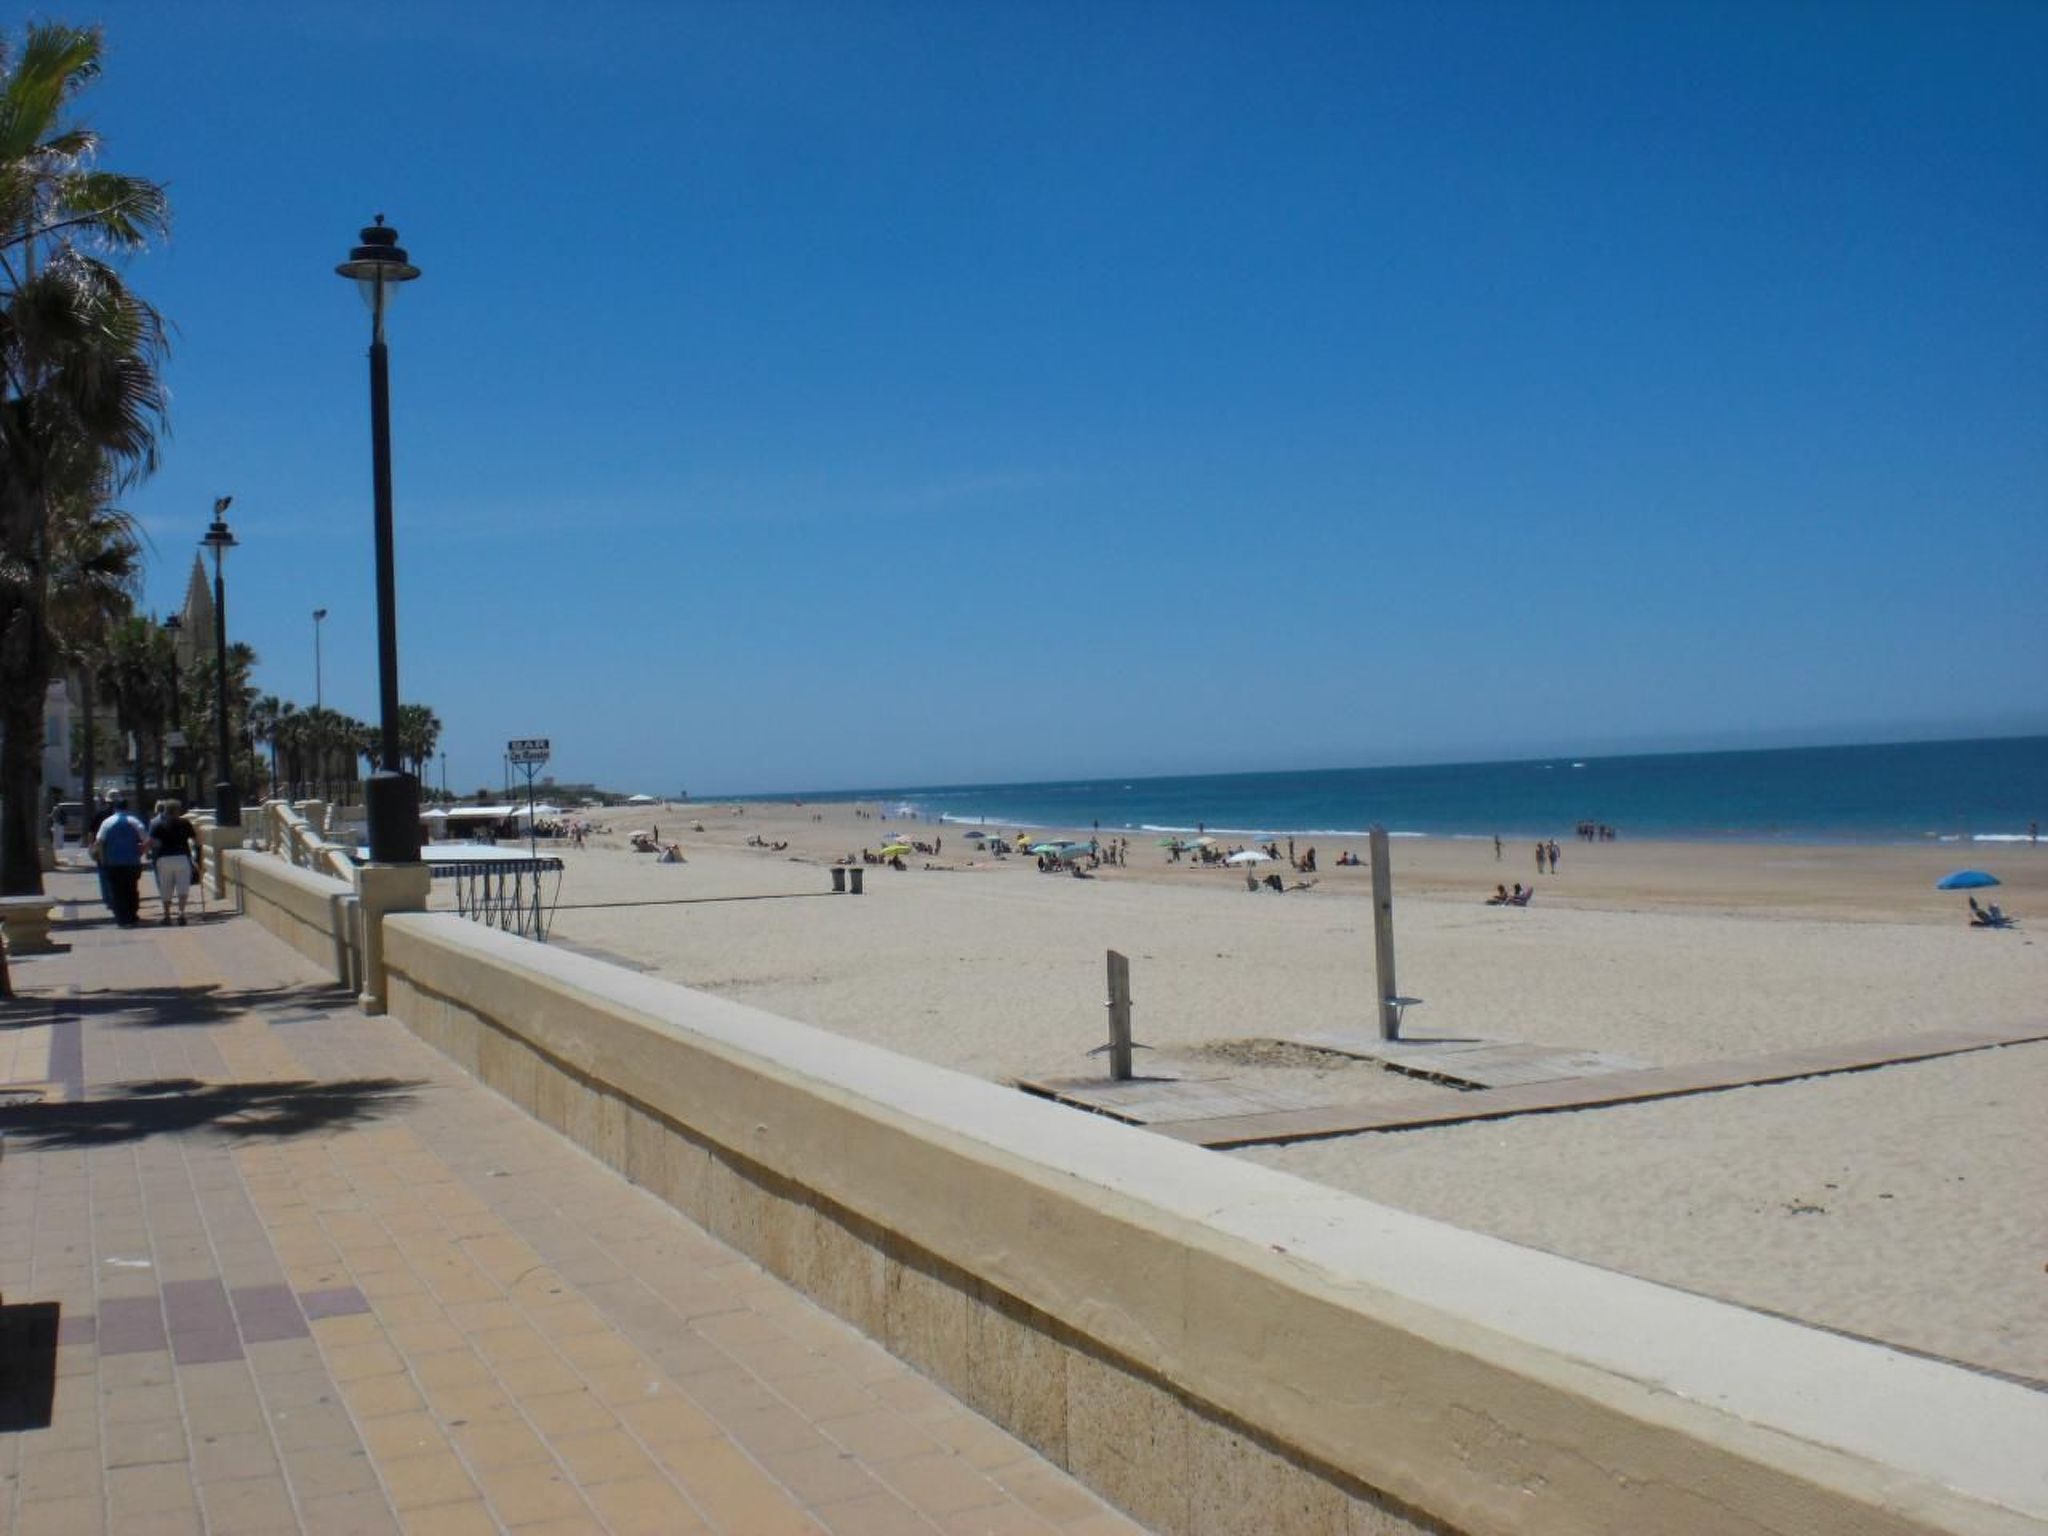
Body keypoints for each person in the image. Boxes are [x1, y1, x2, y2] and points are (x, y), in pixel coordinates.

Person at [92, 797, 149, 927]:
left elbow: (99, 842)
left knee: (117, 891)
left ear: (115, 808)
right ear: (127, 807)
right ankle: (132, 916)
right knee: (132, 889)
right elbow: (146, 840)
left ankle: (121, 919)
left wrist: (102, 859)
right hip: (132, 863)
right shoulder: (134, 821)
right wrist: (141, 852)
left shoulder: (107, 822)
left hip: (113, 863)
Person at [148, 799, 201, 926]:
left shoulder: (156, 824)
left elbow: (153, 842)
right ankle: (181, 913)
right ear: (177, 810)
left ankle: (167, 915)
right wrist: (197, 856)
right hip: (182, 857)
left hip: (163, 858)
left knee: (165, 887)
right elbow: (196, 840)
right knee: (183, 887)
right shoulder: (184, 822)